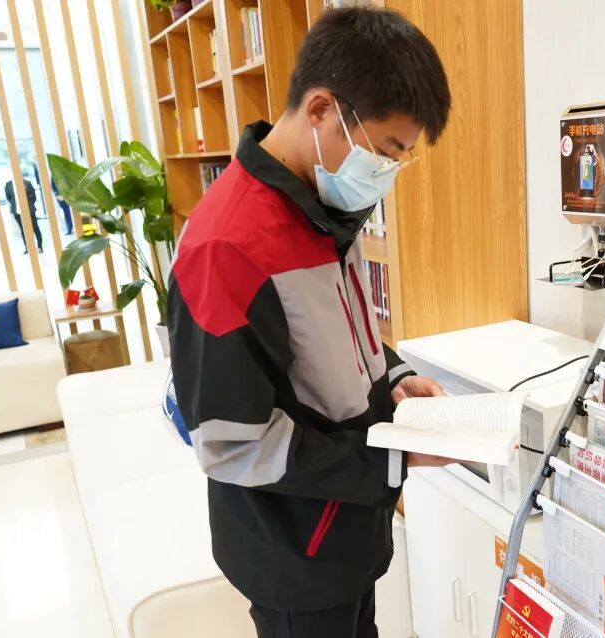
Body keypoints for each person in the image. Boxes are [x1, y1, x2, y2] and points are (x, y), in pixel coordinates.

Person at [167, 8, 452, 637]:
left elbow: (335, 331)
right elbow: (231, 441)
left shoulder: (316, 206)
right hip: (293, 552)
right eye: (385, 151)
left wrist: (394, 378)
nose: (386, 172)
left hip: (345, 532)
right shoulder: (226, 248)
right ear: (322, 109)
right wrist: (393, 461)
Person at [5, 173, 42, 254]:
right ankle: (27, 247)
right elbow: (9, 198)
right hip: (17, 211)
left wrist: (29, 204)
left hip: (29, 210)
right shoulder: (8, 185)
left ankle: (40, 246)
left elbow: (33, 196)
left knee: (35, 227)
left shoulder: (27, 183)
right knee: (23, 230)